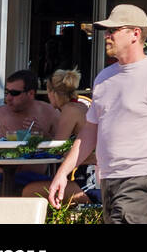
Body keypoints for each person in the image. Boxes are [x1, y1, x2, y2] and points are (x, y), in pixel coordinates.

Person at [48, 5, 147, 223]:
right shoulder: (104, 78)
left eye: (114, 31)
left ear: (135, 34)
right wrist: (63, 172)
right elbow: (90, 131)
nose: (107, 37)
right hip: (108, 176)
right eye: (107, 32)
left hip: (142, 175)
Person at [21, 69, 96, 205]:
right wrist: (43, 132)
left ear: (53, 93)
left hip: (90, 181)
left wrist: (40, 138)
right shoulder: (77, 107)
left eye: (48, 92)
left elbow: (57, 148)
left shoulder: (69, 110)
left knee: (28, 190)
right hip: (89, 176)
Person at [0, 69, 60, 138]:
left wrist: (42, 134)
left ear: (31, 94)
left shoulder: (50, 113)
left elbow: (62, 145)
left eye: (14, 93)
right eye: (7, 92)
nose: (8, 98)